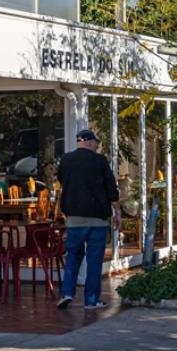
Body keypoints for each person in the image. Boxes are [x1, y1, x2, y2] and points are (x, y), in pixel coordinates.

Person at [55, 128, 120, 309]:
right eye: (96, 143)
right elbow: (111, 188)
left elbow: (62, 181)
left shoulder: (66, 160)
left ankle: (67, 293)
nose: (96, 146)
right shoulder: (100, 161)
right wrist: (117, 211)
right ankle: (91, 300)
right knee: (94, 261)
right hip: (97, 219)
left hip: (74, 218)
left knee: (73, 257)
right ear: (90, 142)